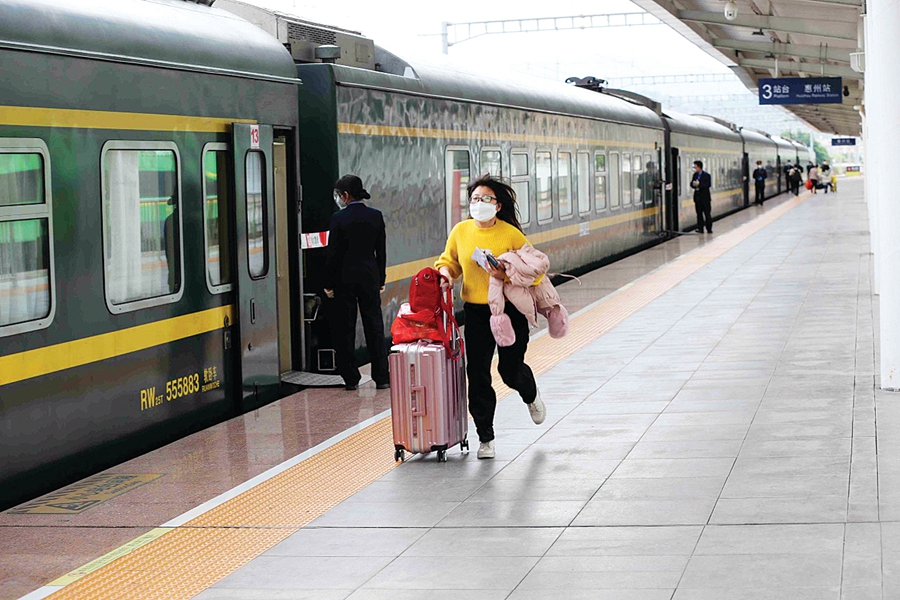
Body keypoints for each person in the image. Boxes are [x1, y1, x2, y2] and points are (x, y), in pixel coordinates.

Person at [436, 175, 546, 460]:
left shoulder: (511, 235)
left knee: (509, 370)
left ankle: (530, 393)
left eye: (486, 199)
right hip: (476, 312)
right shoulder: (460, 231)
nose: (479, 204)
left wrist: (505, 273)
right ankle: (486, 437)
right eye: (475, 199)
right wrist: (446, 275)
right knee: (477, 374)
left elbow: (535, 273)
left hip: (510, 311)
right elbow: (449, 261)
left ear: (498, 206)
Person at [324, 175, 390, 391]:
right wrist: (380, 279)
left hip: (344, 280)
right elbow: (381, 252)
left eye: (339, 195)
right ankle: (382, 377)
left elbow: (332, 254)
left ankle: (351, 378)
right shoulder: (375, 216)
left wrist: (329, 284)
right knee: (375, 326)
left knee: (346, 329)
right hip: (370, 278)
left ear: (345, 195)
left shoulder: (338, 219)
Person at [690, 160, 713, 234]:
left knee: (707, 213)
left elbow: (708, 184)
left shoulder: (707, 175)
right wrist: (693, 184)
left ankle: (709, 228)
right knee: (699, 214)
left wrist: (699, 184)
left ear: (699, 167)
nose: (694, 169)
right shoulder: (695, 175)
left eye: (695, 167)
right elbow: (691, 183)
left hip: (705, 198)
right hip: (697, 197)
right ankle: (700, 228)